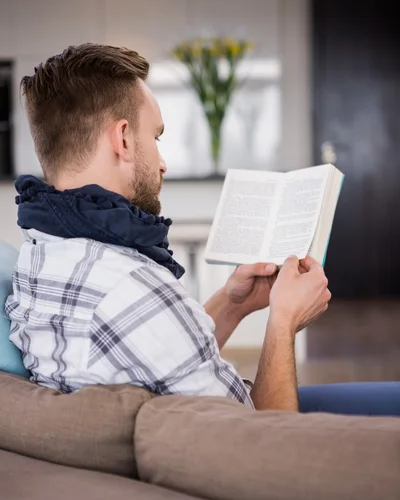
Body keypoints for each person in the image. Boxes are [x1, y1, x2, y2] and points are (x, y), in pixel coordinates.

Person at [6, 44, 399, 416]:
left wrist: (235, 303)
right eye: (155, 137)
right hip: (253, 444)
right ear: (123, 139)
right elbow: (267, 443)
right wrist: (283, 322)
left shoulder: (42, 254)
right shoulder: (132, 289)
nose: (162, 163)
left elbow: (158, 352)